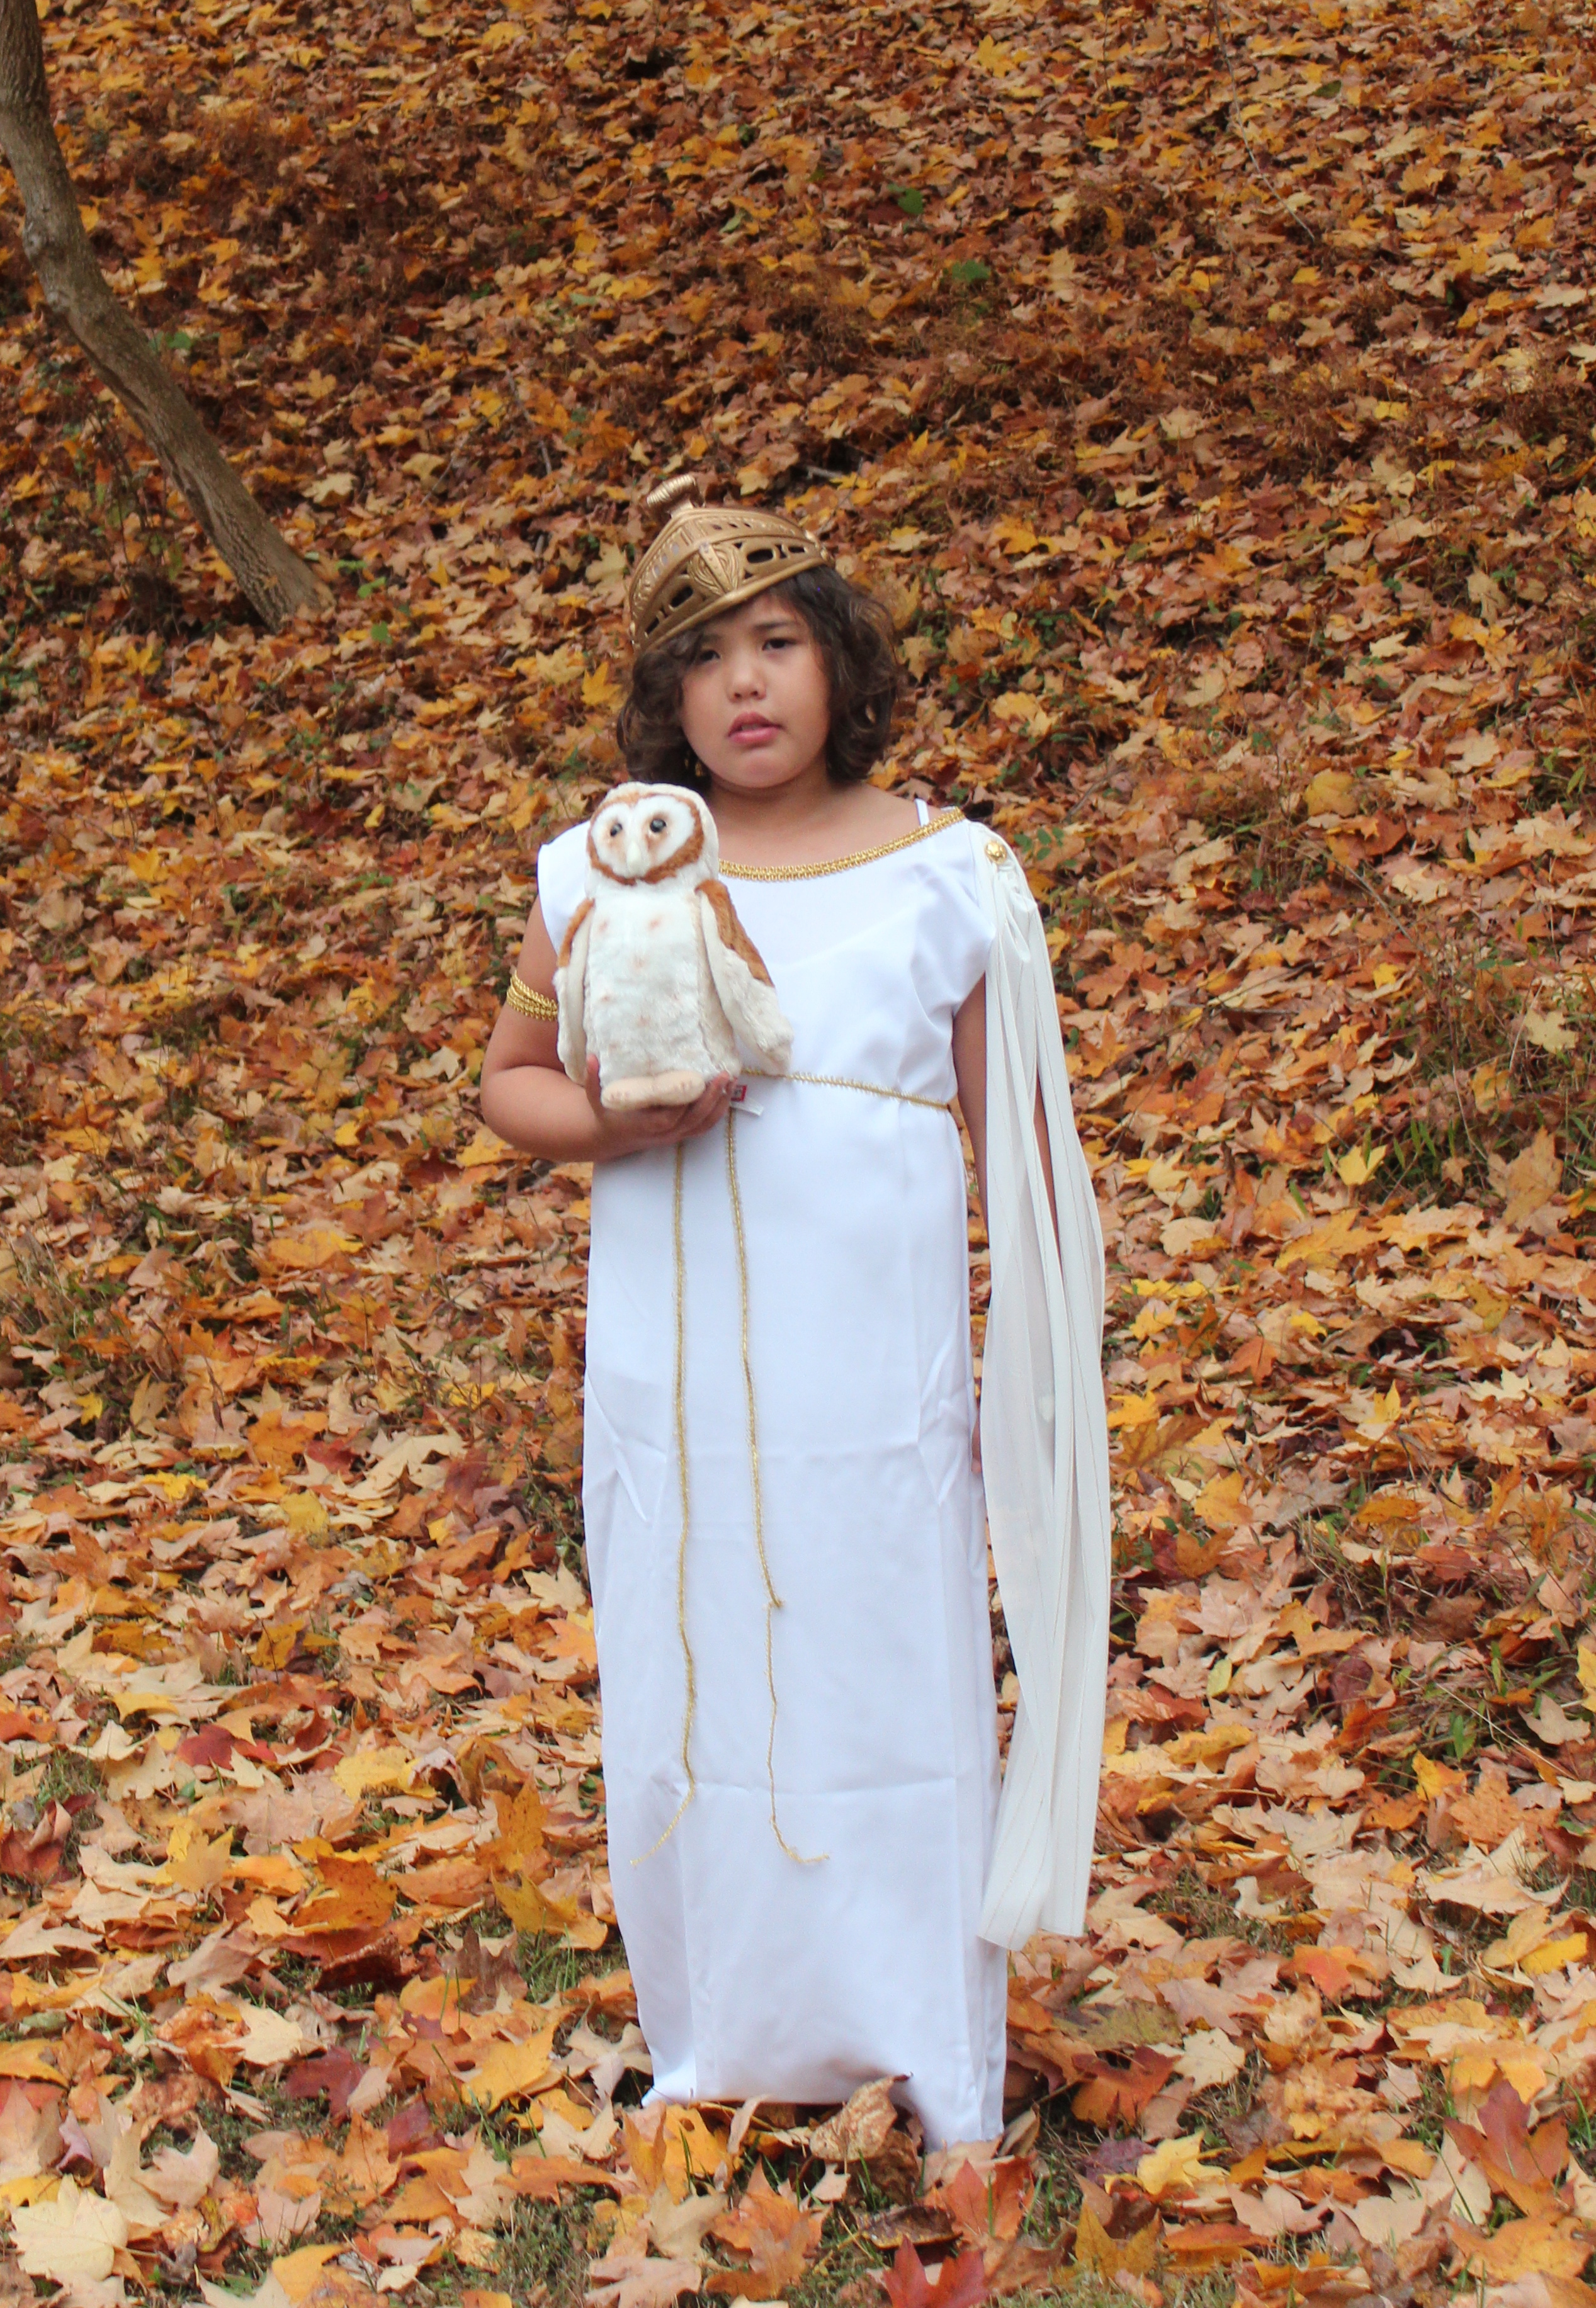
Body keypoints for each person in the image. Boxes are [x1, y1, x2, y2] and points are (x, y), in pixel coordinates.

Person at [478, 477, 1109, 2148]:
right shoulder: (604, 870)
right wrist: (613, 1125)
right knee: (699, 1668)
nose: (743, 683)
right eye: (702, 657)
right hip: (675, 1372)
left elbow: (1017, 1148)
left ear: (841, 661)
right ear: (663, 696)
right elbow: (508, 1081)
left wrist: (1039, 1369)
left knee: (884, 1664)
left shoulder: (950, 874)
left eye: (775, 642)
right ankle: (726, 2037)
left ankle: (924, 2044)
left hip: (876, 1376)